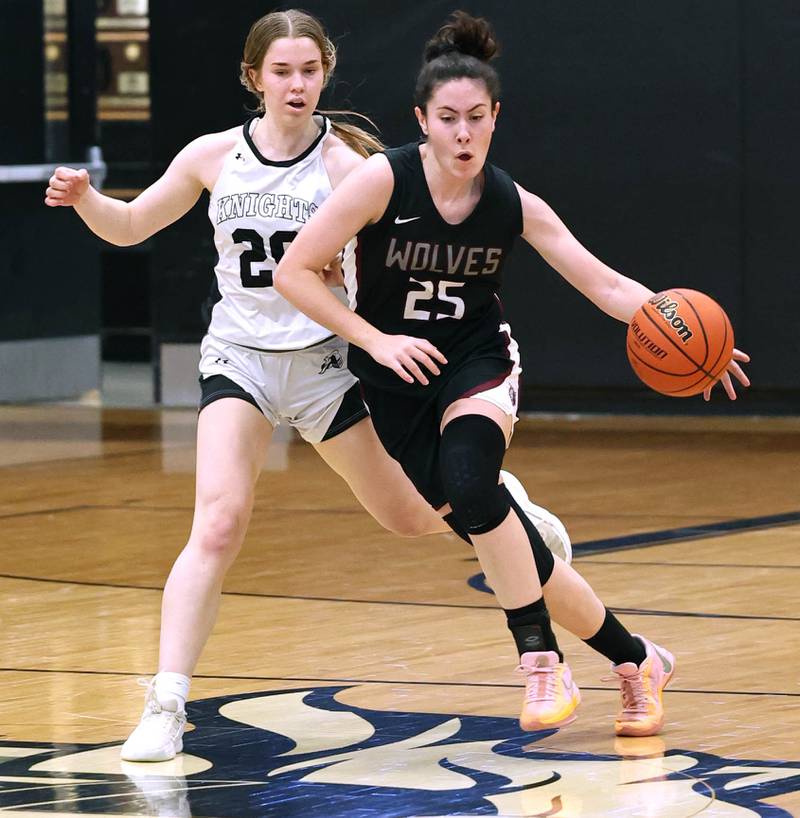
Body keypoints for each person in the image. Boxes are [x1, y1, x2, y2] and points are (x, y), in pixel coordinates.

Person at [44, 9, 574, 762]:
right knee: (219, 523)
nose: (297, 84)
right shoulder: (211, 156)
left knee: (413, 518)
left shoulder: (354, 168)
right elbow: (131, 225)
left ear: (326, 73)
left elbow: (412, 262)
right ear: (254, 77)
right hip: (242, 360)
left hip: (328, 367)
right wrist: (87, 201)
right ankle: (165, 703)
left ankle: (506, 503)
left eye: (310, 70)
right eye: (282, 71)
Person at [274, 11, 750, 737]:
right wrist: (376, 338)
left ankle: (539, 663)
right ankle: (637, 660)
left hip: (477, 363)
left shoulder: (509, 202)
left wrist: (692, 339)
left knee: (472, 485)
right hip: (395, 380)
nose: (462, 134)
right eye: (446, 119)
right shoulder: (381, 182)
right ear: (421, 121)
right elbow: (295, 271)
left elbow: (604, 285)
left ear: (496, 117)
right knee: (512, 548)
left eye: (475, 118)